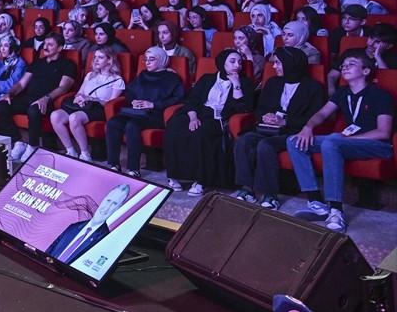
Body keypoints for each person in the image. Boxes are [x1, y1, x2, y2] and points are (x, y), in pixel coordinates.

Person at [286, 49, 394, 232]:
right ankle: (316, 203)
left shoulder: (380, 95)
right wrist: (308, 127)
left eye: (351, 64)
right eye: (343, 65)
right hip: (347, 141)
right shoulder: (343, 92)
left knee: (332, 142)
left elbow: (383, 132)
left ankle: (336, 210)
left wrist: (347, 137)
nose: (344, 67)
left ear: (366, 71)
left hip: (377, 145)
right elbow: (322, 114)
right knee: (293, 141)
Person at [230, 47, 325, 209]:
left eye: (278, 63)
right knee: (243, 141)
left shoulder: (313, 87)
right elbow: (260, 108)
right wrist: (265, 116)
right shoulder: (273, 82)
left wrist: (285, 122)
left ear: (291, 64)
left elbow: (315, 116)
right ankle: (246, 189)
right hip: (268, 128)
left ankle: (270, 194)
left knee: (265, 145)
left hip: (294, 131)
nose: (274, 67)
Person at [163, 49, 254, 195]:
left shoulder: (245, 83)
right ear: (222, 62)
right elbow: (193, 100)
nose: (237, 65)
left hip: (220, 118)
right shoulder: (207, 78)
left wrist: (236, 84)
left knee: (201, 134)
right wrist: (193, 118)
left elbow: (243, 108)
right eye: (232, 61)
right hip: (199, 112)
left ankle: (201, 181)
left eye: (239, 62)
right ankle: (174, 175)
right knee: (174, 126)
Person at [0, 32, 78, 162]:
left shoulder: (68, 64)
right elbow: (21, 84)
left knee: (33, 110)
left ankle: (32, 146)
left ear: (60, 48)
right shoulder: (37, 62)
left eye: (50, 44)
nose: (46, 47)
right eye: (45, 44)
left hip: (49, 101)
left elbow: (63, 88)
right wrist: (8, 94)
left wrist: (46, 98)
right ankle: (19, 142)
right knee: (0, 106)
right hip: (28, 98)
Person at [104, 47, 185, 177]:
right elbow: (129, 93)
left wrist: (153, 104)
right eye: (146, 60)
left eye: (151, 59)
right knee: (113, 122)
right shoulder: (142, 75)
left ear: (161, 60)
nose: (147, 62)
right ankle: (114, 164)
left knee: (132, 125)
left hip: (156, 114)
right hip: (135, 112)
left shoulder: (171, 78)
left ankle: (133, 168)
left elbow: (178, 99)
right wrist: (134, 101)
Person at [51, 46, 125, 161]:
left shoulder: (117, 80)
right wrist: (79, 99)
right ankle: (70, 151)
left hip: (98, 108)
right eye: (95, 57)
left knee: (74, 117)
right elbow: (79, 93)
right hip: (82, 105)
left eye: (100, 57)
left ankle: (85, 154)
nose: (96, 60)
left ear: (109, 60)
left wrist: (90, 99)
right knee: (55, 116)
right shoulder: (90, 75)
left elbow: (110, 104)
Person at [45, 183, 132, 265]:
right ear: (103, 199)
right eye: (108, 201)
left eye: (114, 204)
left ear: (118, 208)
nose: (107, 208)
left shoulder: (106, 239)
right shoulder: (73, 227)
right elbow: (50, 250)